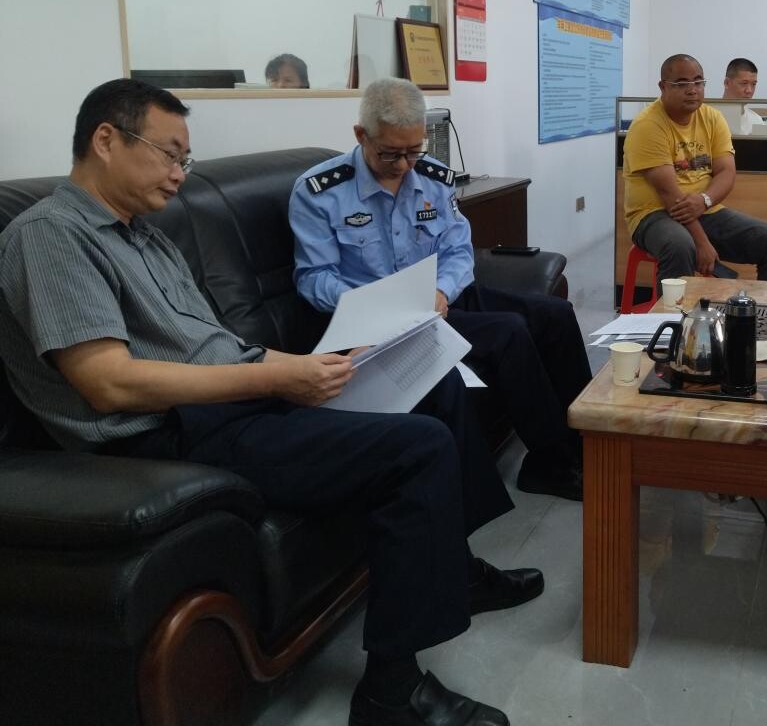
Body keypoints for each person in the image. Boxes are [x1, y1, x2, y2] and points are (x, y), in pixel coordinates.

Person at [0, 78, 540, 726]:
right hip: (167, 436)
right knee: (417, 448)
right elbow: (109, 383)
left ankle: (457, 569)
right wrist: (277, 380)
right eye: (169, 155)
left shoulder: (143, 236)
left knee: (430, 384)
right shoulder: (51, 236)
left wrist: (321, 366)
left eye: (186, 161)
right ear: (106, 140)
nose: (179, 176)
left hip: (231, 402)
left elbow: (221, 347)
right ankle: (391, 693)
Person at [290, 78, 588, 502]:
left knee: (555, 315)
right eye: (390, 153)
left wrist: (443, 291)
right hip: (381, 320)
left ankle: (586, 446)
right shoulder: (320, 191)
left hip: (440, 300)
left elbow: (458, 251)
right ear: (361, 135)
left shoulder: (432, 177)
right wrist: (379, 304)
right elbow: (314, 277)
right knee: (508, 331)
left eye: (413, 151)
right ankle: (550, 466)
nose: (403, 165)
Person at [623, 53, 767, 282]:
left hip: (703, 211)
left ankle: (765, 304)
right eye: (681, 83)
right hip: (653, 214)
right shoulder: (648, 125)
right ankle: (674, 307)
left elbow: (726, 172)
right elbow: (669, 194)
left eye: (698, 82)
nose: (692, 90)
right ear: (663, 87)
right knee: (680, 245)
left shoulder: (713, 118)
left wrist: (705, 200)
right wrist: (702, 243)